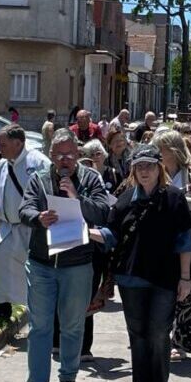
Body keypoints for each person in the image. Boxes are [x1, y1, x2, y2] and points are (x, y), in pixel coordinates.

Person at [89, 144, 191, 382]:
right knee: (137, 335)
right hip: (131, 279)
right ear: (133, 170)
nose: (144, 171)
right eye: (139, 166)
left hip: (165, 279)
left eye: (149, 165)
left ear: (159, 168)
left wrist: (185, 278)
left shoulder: (174, 198)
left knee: (159, 334)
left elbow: (184, 241)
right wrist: (85, 232)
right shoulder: (124, 200)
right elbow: (110, 235)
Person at [16, 128, 112, 382]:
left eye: (70, 154)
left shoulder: (91, 178)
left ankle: (68, 379)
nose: (65, 160)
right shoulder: (39, 180)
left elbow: (104, 212)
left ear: (77, 155)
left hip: (77, 264)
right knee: (40, 327)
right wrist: (38, 218)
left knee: (72, 325)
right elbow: (25, 209)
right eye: (59, 155)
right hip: (42, 264)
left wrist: (76, 199)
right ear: (51, 156)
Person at [0, 124, 50, 322]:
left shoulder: (38, 162)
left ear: (18, 143)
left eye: (3, 144)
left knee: (30, 269)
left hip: (31, 227)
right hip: (7, 226)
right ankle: (2, 306)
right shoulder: (2, 164)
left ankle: (36, 309)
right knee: (0, 261)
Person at [152, 130, 191, 361]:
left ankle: (182, 343)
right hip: (162, 244)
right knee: (164, 293)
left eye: (161, 150)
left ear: (172, 150)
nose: (158, 154)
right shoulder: (156, 172)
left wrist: (172, 197)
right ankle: (162, 337)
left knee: (190, 294)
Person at [77, 139, 118, 362]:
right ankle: (61, 340)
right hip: (74, 247)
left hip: (98, 249)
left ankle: (84, 346)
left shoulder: (103, 187)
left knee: (90, 296)